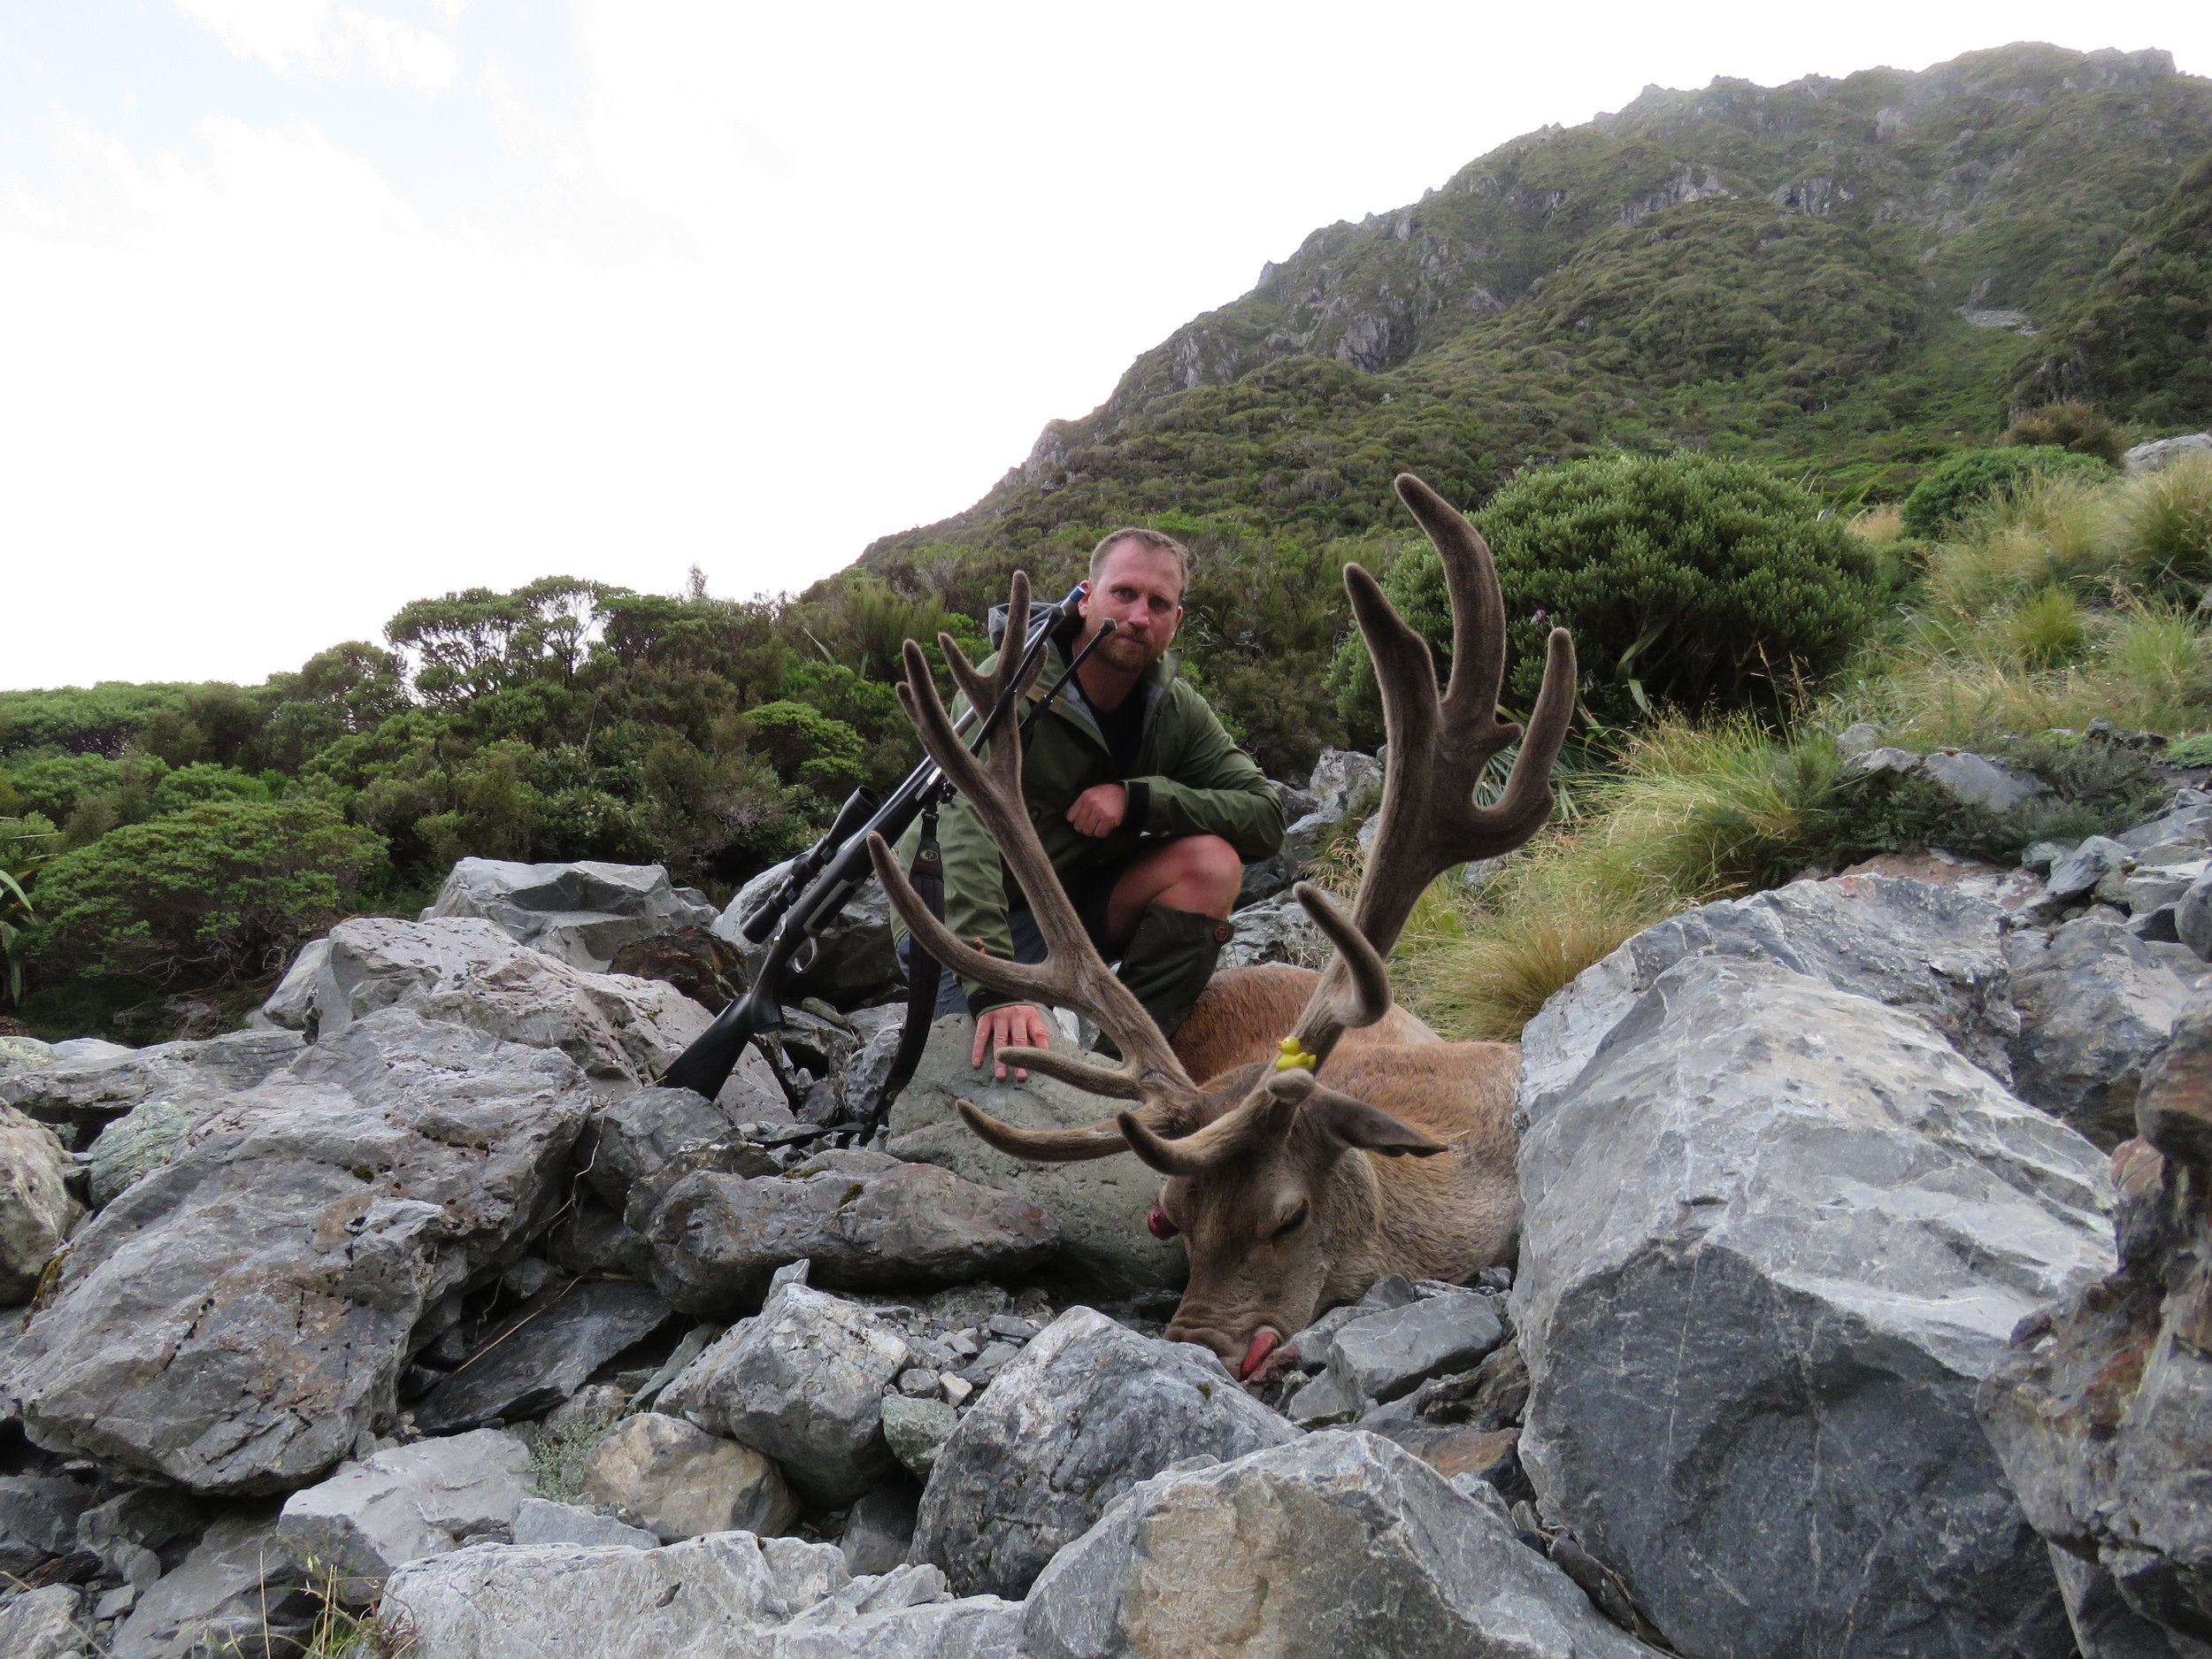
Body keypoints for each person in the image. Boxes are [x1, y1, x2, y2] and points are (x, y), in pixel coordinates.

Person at [894, 527, 1286, 1080]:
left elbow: (1265, 817)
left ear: (1177, 622)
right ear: (1085, 598)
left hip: (1067, 909)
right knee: (990, 1079)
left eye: (1159, 603)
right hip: (959, 911)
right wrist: (996, 985)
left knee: (1211, 865)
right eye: (1123, 593)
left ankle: (1123, 1070)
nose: (1139, 616)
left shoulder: (1174, 709)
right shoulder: (1005, 686)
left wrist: (1140, 801)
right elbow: (963, 834)